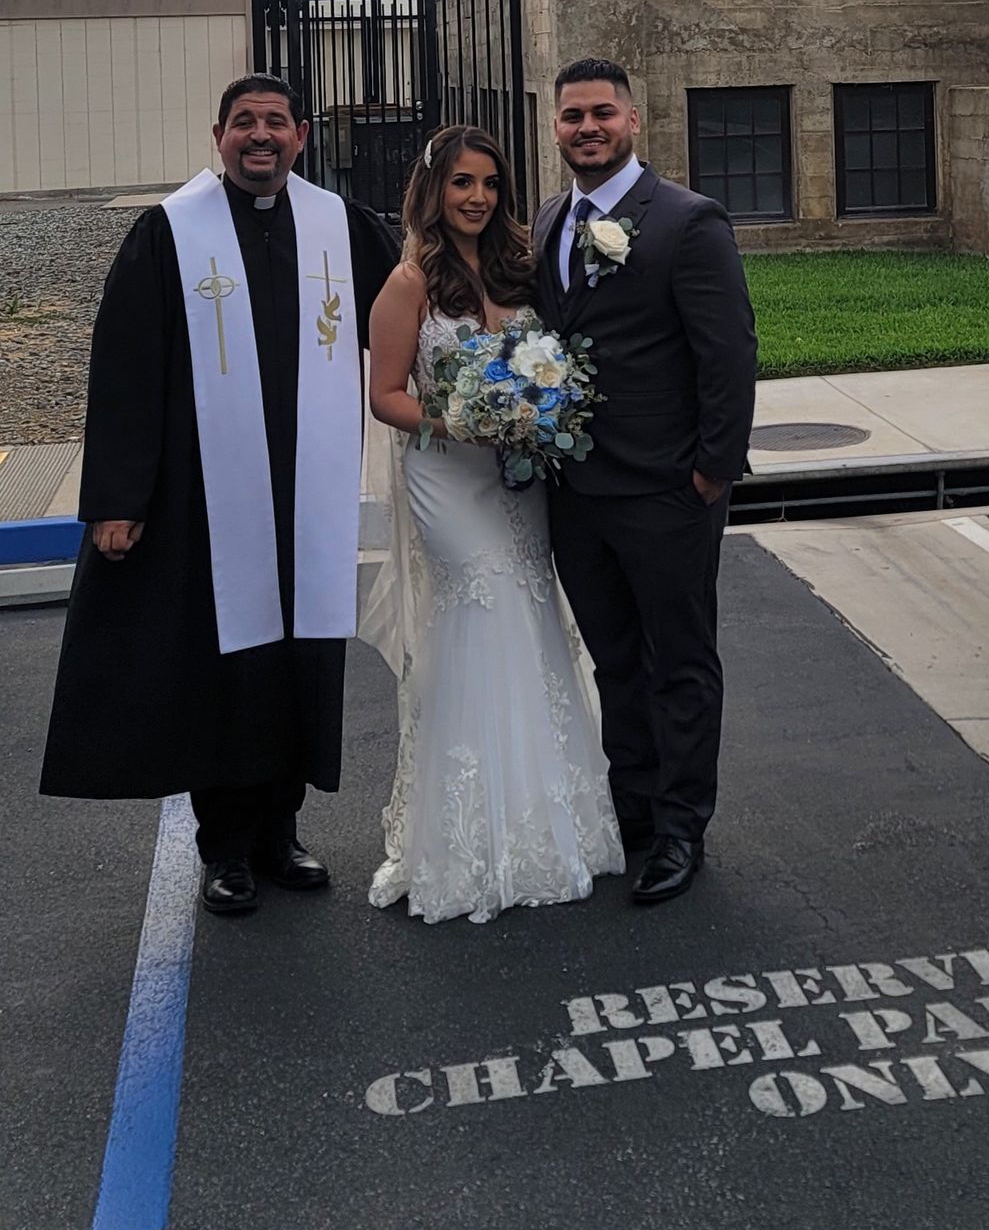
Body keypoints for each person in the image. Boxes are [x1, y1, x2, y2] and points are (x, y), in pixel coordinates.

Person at [40, 76, 396, 917]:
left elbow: (410, 314)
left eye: (275, 122)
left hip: (307, 490)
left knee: (298, 659)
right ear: (219, 135)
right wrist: (119, 498)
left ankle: (282, 830)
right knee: (223, 666)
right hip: (206, 501)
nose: (260, 136)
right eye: (245, 123)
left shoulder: (338, 227)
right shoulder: (168, 232)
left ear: (301, 137)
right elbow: (123, 373)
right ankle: (226, 846)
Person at [359, 124, 621, 925]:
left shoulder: (518, 265)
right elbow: (386, 394)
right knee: (481, 610)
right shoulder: (408, 281)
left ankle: (546, 816)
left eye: (489, 184)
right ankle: (468, 837)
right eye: (461, 183)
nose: (477, 197)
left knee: (534, 617)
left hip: (517, 480)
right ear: (433, 190)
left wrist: (532, 410)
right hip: (449, 474)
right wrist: (462, 417)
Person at [533, 58, 757, 906]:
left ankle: (680, 827)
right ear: (555, 128)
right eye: (570, 116)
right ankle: (631, 807)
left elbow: (728, 353)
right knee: (616, 661)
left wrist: (710, 470)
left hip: (667, 491)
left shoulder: (687, 221)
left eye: (600, 113)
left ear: (633, 120)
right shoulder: (552, 217)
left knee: (680, 662)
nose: (585, 127)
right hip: (576, 495)